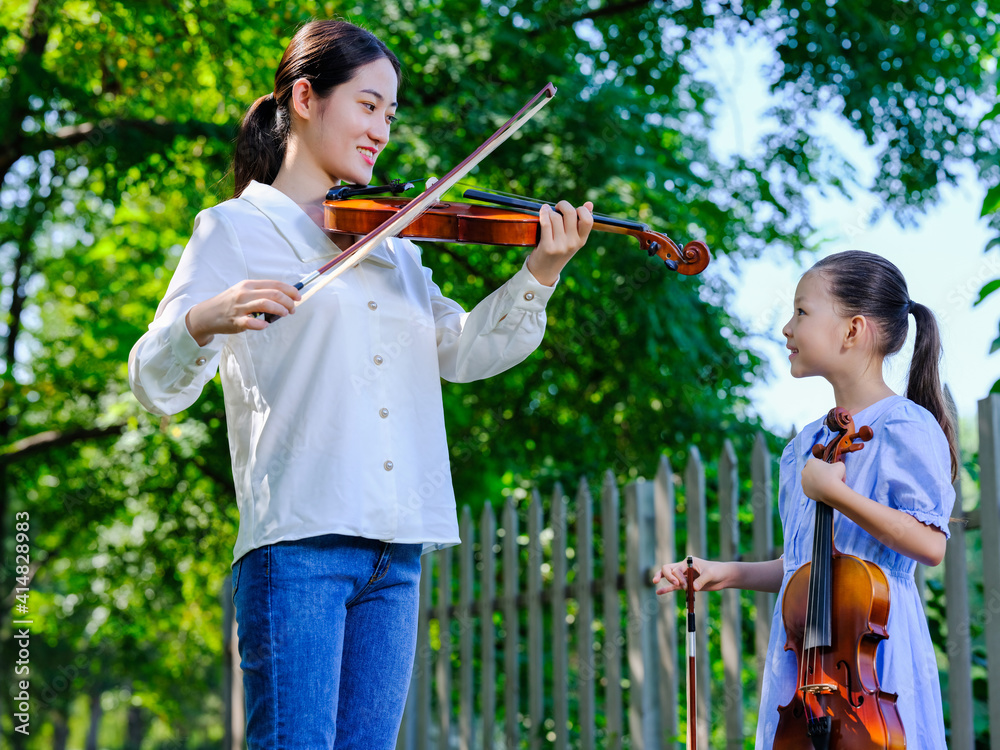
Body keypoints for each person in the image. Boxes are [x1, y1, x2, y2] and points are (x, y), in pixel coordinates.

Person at [128, 19, 594, 749]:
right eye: (369, 105)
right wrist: (204, 319)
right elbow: (154, 384)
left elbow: (462, 351)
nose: (382, 130)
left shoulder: (393, 250)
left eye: (390, 114)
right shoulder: (231, 230)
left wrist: (539, 273)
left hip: (398, 545)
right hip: (299, 543)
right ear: (307, 98)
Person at [653, 250, 957, 747]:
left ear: (853, 329)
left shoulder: (906, 425)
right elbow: (806, 567)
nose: (786, 328)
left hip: (876, 670)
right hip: (804, 678)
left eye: (802, 311)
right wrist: (722, 573)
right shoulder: (802, 448)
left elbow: (929, 544)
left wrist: (836, 493)